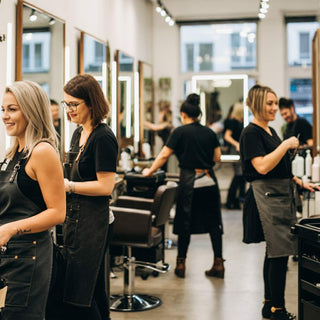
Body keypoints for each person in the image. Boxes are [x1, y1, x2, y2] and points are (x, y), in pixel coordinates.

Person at [240, 84, 319, 320]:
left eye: (275, 103)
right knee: (279, 253)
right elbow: (262, 166)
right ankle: (278, 310)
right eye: (270, 103)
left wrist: (297, 181)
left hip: (279, 194)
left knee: (274, 252)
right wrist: (285, 144)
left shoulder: (270, 131)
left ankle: (269, 304)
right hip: (266, 198)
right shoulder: (250, 133)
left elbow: (277, 167)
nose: (275, 108)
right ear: (256, 104)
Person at [0, 80, 66, 320]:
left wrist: (10, 228)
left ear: (31, 110)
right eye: (3, 109)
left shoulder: (42, 152)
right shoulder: (12, 153)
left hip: (28, 259)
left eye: (12, 109)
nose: (5, 116)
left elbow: (58, 213)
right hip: (8, 255)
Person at [55, 74, 118, 320]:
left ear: (91, 103)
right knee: (93, 288)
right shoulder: (78, 134)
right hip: (76, 219)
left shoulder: (103, 137)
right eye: (66, 104)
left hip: (94, 222)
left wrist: (68, 186)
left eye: (73, 104)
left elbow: (105, 187)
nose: (68, 110)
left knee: (80, 291)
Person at [143, 93, 224, 279]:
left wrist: (149, 171)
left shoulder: (179, 132)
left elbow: (164, 155)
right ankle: (218, 263)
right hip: (209, 181)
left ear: (183, 114)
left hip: (189, 181)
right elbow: (217, 158)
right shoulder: (210, 132)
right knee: (214, 223)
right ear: (199, 115)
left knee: (185, 221)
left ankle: (181, 264)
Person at [224, 102, 246, 209]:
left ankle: (235, 201)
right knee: (238, 176)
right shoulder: (233, 122)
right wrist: (237, 144)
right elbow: (227, 136)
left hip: (240, 152)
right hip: (235, 151)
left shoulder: (241, 122)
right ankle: (230, 201)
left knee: (241, 177)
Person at [144, 101, 173, 170]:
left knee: (163, 167)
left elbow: (154, 127)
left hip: (169, 148)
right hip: (165, 147)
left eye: (160, 114)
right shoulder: (164, 124)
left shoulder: (167, 124)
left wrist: (142, 122)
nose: (159, 115)